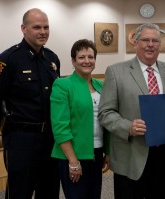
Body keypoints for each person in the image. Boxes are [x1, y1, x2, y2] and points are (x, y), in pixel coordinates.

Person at [98, 23, 165, 199]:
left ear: (160, 45)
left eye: (155, 41)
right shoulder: (116, 72)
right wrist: (128, 127)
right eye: (145, 40)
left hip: (163, 155)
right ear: (135, 43)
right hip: (131, 154)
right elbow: (105, 113)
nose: (150, 44)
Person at [0, 8, 60, 199]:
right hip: (22, 139)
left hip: (50, 139)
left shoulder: (52, 59)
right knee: (20, 191)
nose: (43, 31)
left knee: (49, 189)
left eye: (46, 27)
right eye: (37, 27)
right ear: (23, 28)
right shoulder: (7, 60)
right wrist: (9, 129)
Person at [50, 39, 110, 199]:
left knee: (94, 195)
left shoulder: (101, 85)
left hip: (96, 152)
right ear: (73, 60)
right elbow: (60, 126)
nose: (87, 61)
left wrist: (108, 151)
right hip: (73, 154)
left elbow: (108, 119)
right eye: (82, 57)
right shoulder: (62, 85)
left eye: (91, 57)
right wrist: (73, 161)